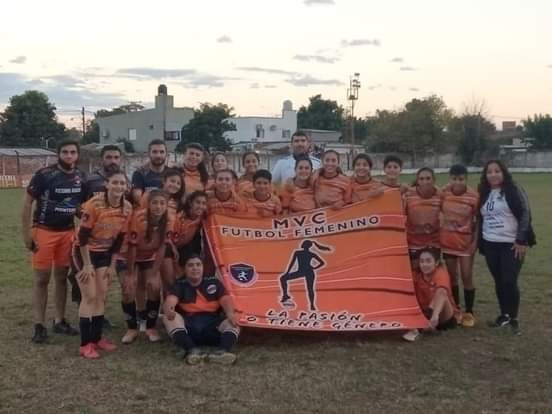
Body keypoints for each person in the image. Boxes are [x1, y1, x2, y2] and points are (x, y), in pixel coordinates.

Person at [22, 139, 85, 343]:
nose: (69, 156)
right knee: (42, 279)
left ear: (77, 155)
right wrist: (27, 234)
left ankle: (59, 320)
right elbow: (28, 202)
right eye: (65, 152)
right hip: (44, 231)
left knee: (61, 278)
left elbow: (79, 206)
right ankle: (39, 325)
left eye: (72, 152)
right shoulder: (44, 175)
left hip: (67, 233)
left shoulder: (80, 176)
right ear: (58, 154)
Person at [72, 169, 132, 358]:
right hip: (84, 253)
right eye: (115, 182)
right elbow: (82, 237)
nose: (119, 186)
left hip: (105, 254)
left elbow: (119, 239)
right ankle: (84, 344)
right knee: (89, 295)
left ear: (127, 187)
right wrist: (87, 264)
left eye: (122, 183)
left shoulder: (127, 208)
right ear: (107, 184)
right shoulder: (94, 204)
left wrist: (113, 264)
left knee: (101, 295)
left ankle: (97, 339)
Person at [478, 160, 536, 335]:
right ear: (485, 175)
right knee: (499, 281)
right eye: (489, 172)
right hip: (490, 243)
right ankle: (504, 315)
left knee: (509, 281)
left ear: (503, 172)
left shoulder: (514, 189)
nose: (493, 175)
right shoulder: (484, 192)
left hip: (511, 244)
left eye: (497, 171)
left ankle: (514, 318)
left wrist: (521, 240)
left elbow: (525, 213)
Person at [76, 144, 124, 329]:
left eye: (116, 157)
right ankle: (86, 336)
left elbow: (121, 225)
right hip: (86, 244)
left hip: (106, 246)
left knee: (101, 292)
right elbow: (78, 206)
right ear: (102, 159)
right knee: (89, 291)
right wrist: (91, 221)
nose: (112, 161)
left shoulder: (123, 182)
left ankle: (97, 326)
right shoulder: (90, 180)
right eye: (109, 157)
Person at [162, 254, 240, 365]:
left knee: (234, 318)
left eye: (198, 265)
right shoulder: (180, 284)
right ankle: (192, 352)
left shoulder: (214, 282)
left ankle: (222, 353)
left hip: (212, 327)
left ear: (203, 267)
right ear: (185, 269)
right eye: (190, 265)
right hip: (189, 329)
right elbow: (170, 301)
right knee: (168, 318)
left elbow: (226, 300)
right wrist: (169, 310)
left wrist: (230, 313)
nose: (195, 268)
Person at [122, 190, 173, 344]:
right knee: (128, 288)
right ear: (148, 205)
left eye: (162, 203)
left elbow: (163, 247)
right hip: (128, 256)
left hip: (149, 255)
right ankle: (131, 328)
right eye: (154, 203)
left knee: (155, 286)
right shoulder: (139, 218)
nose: (158, 206)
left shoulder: (170, 219)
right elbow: (132, 248)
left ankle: (151, 327)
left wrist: (154, 273)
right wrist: (131, 274)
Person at [440, 164, 479, 327]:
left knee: (466, 276)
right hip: (448, 242)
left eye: (461, 179)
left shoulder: (473, 196)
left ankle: (469, 312)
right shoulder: (444, 193)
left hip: (465, 245)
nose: (457, 182)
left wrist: (474, 244)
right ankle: (456, 310)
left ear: (466, 179)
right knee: (452, 277)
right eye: (454, 179)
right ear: (450, 179)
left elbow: (478, 222)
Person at [139, 169, 184, 295]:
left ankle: (167, 311)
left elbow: (171, 226)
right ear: (164, 181)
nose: (174, 185)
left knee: (169, 281)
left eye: (178, 183)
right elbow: (141, 218)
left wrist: (172, 244)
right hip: (147, 244)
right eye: (172, 181)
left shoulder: (176, 202)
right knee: (149, 283)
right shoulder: (149, 195)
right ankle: (146, 310)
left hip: (165, 244)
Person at [404, 248, 460, 342]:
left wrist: (435, 316)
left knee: (441, 293)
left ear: (437, 263)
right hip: (424, 314)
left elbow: (442, 292)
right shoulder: (417, 275)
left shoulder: (441, 273)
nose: (424, 264)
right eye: (422, 261)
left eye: (428, 261)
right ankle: (422, 326)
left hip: (444, 317)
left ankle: (425, 325)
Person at [280, 240, 332, 311]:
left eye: (303, 243)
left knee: (309, 288)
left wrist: (287, 272)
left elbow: (292, 263)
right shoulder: (308, 253)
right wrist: (314, 268)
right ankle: (285, 295)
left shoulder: (299, 253)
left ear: (304, 245)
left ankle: (312, 305)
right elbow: (321, 263)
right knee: (283, 278)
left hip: (306, 272)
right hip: (306, 271)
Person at [404, 167, 441, 264]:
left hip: (433, 244)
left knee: (432, 275)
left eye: (428, 178)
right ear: (417, 181)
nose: (425, 181)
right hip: (413, 244)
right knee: (415, 275)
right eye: (421, 179)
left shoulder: (440, 195)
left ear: (434, 180)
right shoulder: (408, 195)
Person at [130, 139, 167, 205]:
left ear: (166, 154)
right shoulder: (139, 173)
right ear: (148, 154)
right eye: (154, 152)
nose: (158, 155)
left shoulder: (172, 173)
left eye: (162, 152)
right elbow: (137, 199)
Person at [175, 191, 208, 262]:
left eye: (204, 203)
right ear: (190, 203)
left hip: (187, 246)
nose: (201, 206)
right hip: (173, 247)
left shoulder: (202, 216)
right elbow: (170, 240)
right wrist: (173, 249)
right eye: (198, 202)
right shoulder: (179, 218)